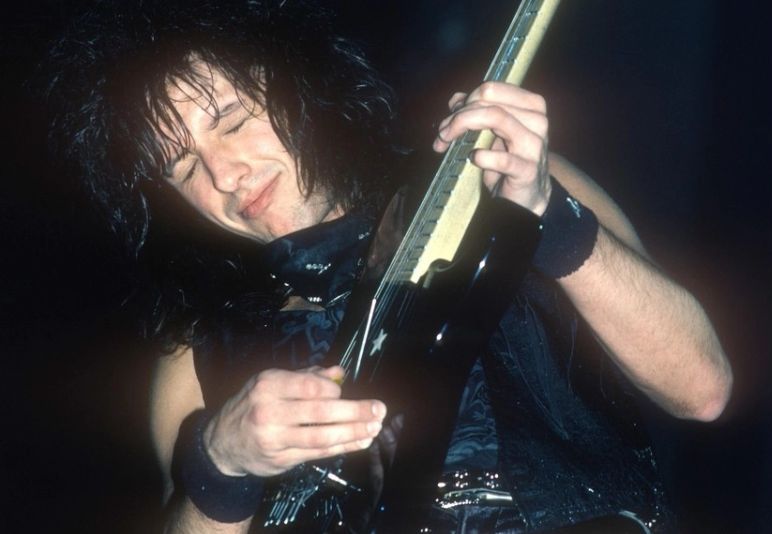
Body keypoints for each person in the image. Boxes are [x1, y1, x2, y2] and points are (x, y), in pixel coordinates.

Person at [44, 1, 732, 532]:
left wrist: (548, 215)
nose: (225, 174)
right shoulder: (192, 352)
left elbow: (702, 387)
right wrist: (222, 465)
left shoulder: (501, 175)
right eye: (184, 167)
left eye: (232, 120)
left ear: (296, 85)